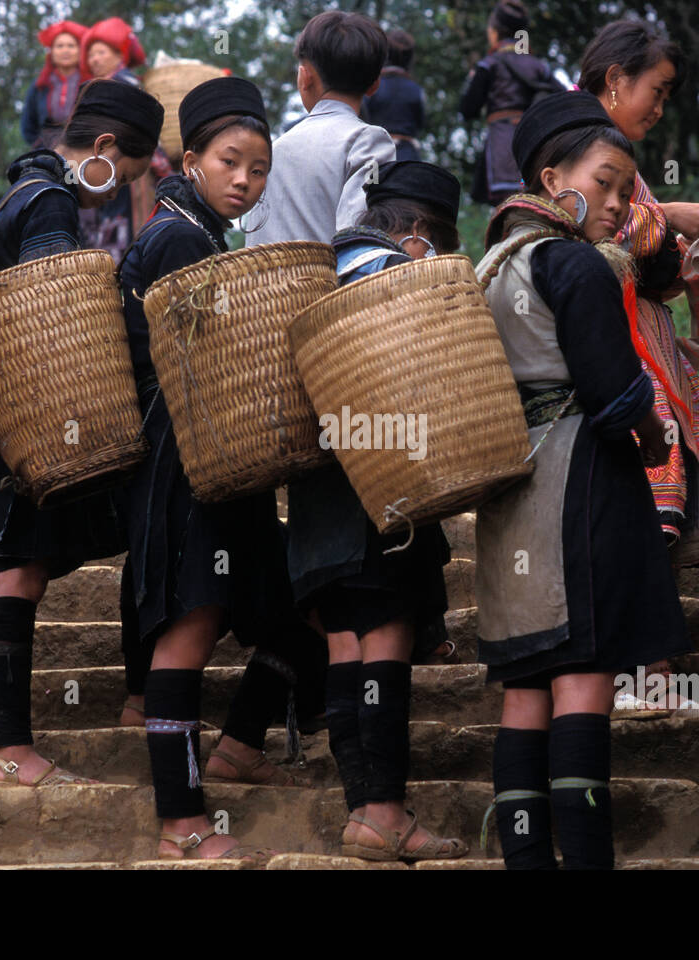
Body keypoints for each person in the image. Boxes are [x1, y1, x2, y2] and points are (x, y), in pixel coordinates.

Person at [473, 91, 689, 869]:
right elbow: (615, 391)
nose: (619, 203)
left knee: (529, 683)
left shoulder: (492, 263)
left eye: (628, 189)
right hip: (581, 485)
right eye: (605, 182)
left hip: (513, 497)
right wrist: (656, 429)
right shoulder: (574, 262)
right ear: (552, 174)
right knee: (586, 675)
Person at [117, 76, 323, 860]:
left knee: (297, 607)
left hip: (215, 455)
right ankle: (180, 821)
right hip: (185, 462)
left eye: (260, 168)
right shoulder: (176, 238)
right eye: (230, 161)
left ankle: (239, 742)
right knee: (190, 631)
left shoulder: (198, 233)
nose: (246, 179)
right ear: (191, 157)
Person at [0, 78, 162, 787]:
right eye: (129, 177)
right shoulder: (52, 198)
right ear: (106, 149)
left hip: (17, 406)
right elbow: (50, 299)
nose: (119, 193)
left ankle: (19, 743)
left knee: (27, 562)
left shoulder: (26, 186)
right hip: (38, 407)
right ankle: (10, 748)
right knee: (21, 569)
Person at [287, 160, 467, 861]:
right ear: (420, 236)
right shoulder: (397, 275)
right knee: (387, 636)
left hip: (317, 500)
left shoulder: (316, 271)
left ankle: (363, 809)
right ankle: (387, 809)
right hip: (382, 487)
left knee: (344, 645)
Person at [577, 19, 699, 566]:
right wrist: (666, 216)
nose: (659, 108)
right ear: (615, 79)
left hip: (640, 323)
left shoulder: (607, 147)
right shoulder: (574, 137)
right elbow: (577, 226)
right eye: (655, 91)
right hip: (608, 333)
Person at [246, 10, 395, 247]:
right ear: (374, 86)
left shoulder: (273, 149)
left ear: (304, 78)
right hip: (328, 282)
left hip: (264, 282)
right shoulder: (368, 140)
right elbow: (358, 235)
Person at [459, 0, 563, 206]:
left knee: (506, 207)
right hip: (534, 146)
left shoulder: (489, 64)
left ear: (495, 32)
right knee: (533, 201)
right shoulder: (539, 67)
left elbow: (467, 109)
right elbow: (562, 98)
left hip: (501, 145)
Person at [76, 17, 150, 262]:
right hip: (100, 165)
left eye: (101, 52)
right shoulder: (99, 85)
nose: (94, 59)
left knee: (119, 223)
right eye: (91, 54)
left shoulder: (126, 83)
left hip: (121, 167)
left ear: (119, 54)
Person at [20, 19, 85, 149]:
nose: (65, 50)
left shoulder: (90, 82)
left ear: (80, 51)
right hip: (47, 150)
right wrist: (41, 146)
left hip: (83, 148)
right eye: (60, 46)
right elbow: (28, 124)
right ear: (52, 53)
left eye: (71, 46)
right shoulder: (40, 85)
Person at [362, 29, 426, 162]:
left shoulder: (371, 87)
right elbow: (421, 123)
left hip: (376, 156)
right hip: (409, 158)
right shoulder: (417, 90)